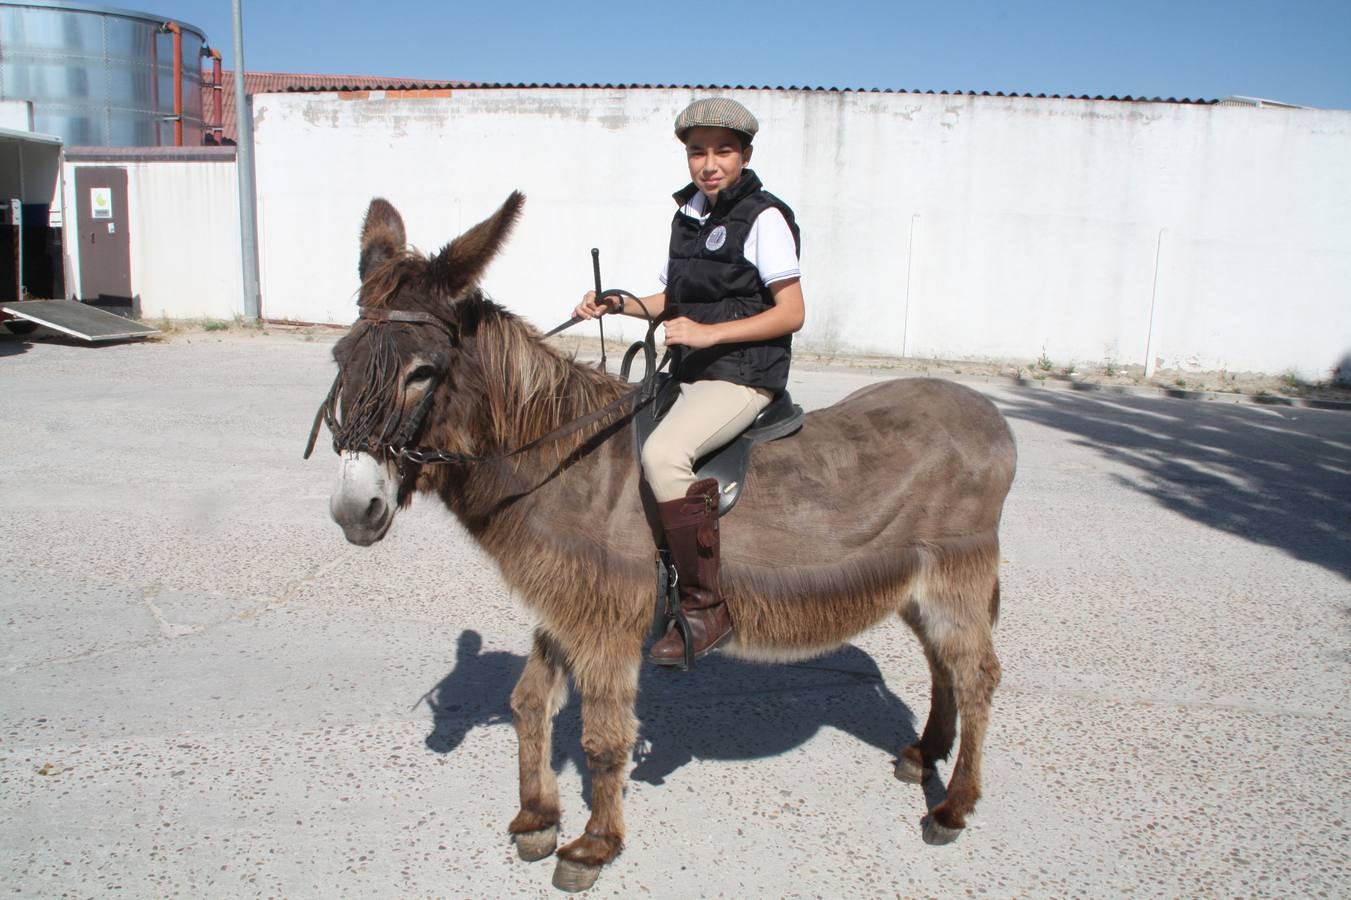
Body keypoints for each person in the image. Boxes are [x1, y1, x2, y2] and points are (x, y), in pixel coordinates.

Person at [573, 97, 805, 666]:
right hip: (691, 370)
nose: (709, 163)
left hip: (743, 376)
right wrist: (617, 303)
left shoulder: (765, 218)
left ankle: (705, 610)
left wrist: (705, 335)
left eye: (723, 151)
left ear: (745, 154)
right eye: (698, 151)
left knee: (664, 456)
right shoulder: (688, 217)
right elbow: (668, 301)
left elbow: (791, 312)